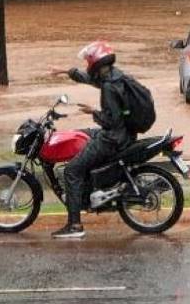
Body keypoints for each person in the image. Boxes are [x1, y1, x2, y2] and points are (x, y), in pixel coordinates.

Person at [49, 40, 132, 239]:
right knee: (82, 134)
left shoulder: (110, 88)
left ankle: (74, 225)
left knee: (72, 169)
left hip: (112, 137)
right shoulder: (113, 76)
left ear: (96, 62)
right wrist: (64, 71)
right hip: (123, 132)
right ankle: (86, 191)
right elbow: (89, 78)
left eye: (88, 61)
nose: (87, 65)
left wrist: (93, 111)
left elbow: (110, 120)